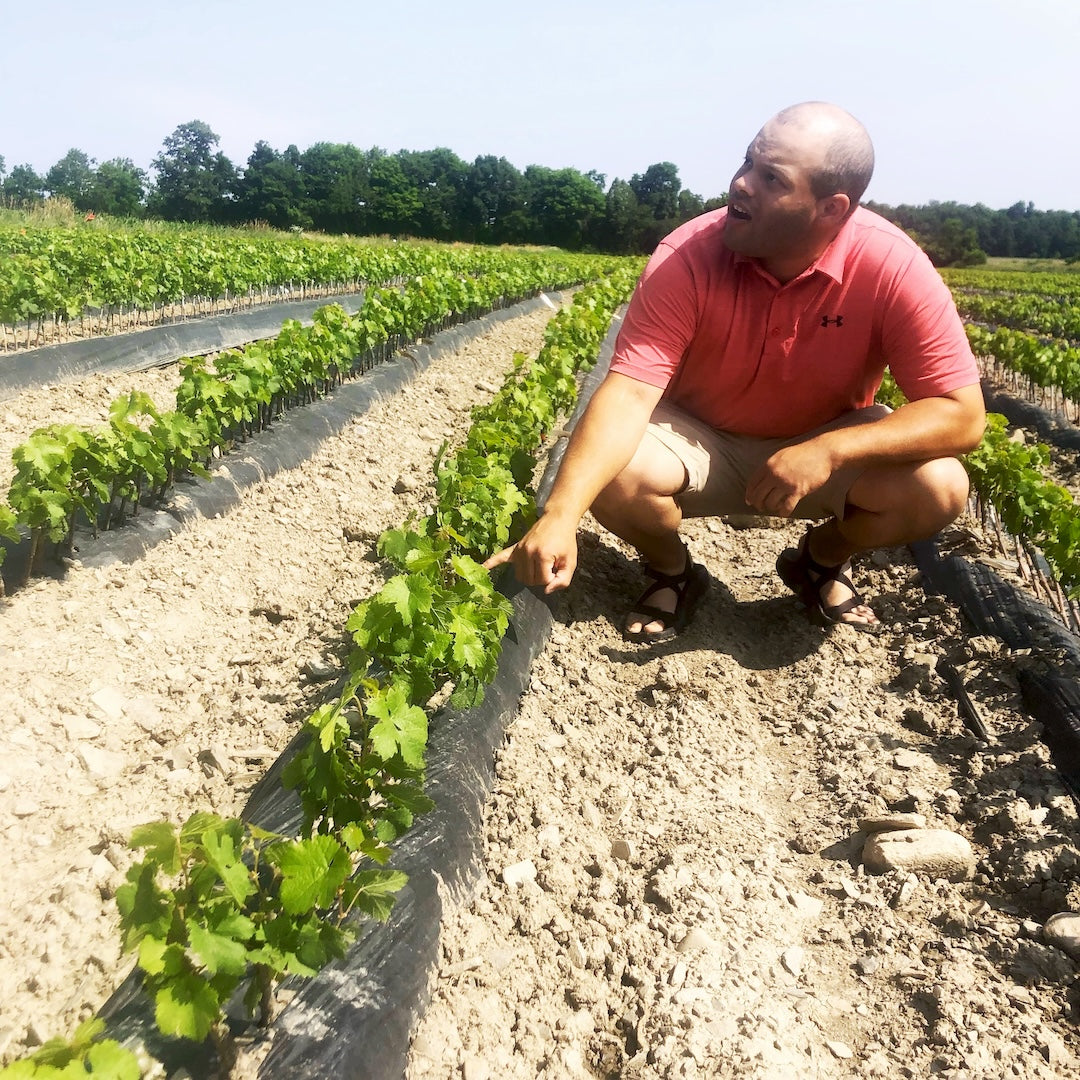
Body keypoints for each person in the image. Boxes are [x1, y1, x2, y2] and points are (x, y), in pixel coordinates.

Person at [484, 102, 985, 635]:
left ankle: (819, 560)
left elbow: (962, 416)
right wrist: (561, 513)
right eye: (747, 163)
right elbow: (629, 393)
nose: (741, 184)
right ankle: (672, 571)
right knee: (611, 472)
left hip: (821, 445)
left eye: (771, 179)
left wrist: (829, 449)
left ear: (832, 208)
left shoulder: (892, 266)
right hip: (700, 441)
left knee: (940, 487)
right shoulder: (687, 256)